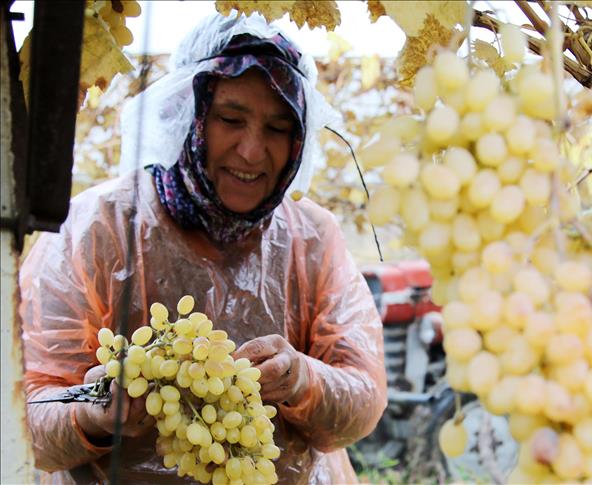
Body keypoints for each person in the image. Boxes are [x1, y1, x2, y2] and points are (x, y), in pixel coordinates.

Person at [19, 12, 387, 484]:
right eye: (231, 119)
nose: (253, 151)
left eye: (277, 128)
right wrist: (93, 413)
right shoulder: (98, 228)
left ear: (299, 139)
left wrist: (302, 378)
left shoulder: (313, 238)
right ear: (187, 114)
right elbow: (22, 410)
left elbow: (362, 400)